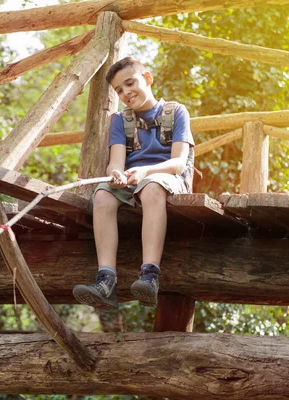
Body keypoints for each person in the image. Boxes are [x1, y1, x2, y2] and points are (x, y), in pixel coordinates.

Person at [73, 57, 195, 310]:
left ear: (147, 79)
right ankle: (106, 280)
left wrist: (146, 171)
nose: (126, 92)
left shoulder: (176, 112)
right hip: (132, 181)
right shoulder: (120, 120)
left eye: (130, 83)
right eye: (119, 90)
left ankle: (150, 275)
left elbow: (178, 164)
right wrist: (117, 174)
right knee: (103, 195)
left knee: (151, 186)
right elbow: (115, 162)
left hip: (167, 178)